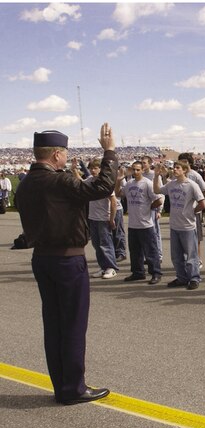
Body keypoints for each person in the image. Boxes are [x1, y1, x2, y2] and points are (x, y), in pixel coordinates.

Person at [15, 124, 116, 405]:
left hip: (42, 258)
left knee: (54, 324)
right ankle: (73, 388)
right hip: (67, 259)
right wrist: (109, 152)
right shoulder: (59, 181)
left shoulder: (25, 184)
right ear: (57, 154)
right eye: (65, 153)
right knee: (72, 324)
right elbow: (103, 186)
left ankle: (62, 385)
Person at [154, 161, 205, 290]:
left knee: (191, 255)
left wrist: (192, 212)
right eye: (174, 168)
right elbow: (157, 190)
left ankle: (194, 278)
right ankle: (182, 277)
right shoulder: (171, 184)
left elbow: (202, 203)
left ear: (184, 170)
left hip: (188, 225)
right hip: (174, 225)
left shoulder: (192, 185)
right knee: (176, 256)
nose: (174, 170)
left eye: (177, 168)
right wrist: (156, 176)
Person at [115, 161, 163, 285]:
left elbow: (158, 200)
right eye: (134, 170)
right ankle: (138, 272)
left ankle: (156, 273)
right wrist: (119, 180)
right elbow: (118, 194)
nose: (136, 172)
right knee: (135, 251)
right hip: (133, 224)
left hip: (146, 224)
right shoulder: (129, 183)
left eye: (138, 170)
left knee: (151, 251)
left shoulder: (147, 183)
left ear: (142, 170)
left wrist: (149, 208)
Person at [80, 158, 119, 280]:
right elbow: (79, 183)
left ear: (101, 169)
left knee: (105, 244)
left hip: (104, 218)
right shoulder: (90, 180)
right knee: (97, 245)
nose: (93, 170)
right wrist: (74, 169)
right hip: (93, 217)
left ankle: (111, 267)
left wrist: (112, 218)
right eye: (91, 168)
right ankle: (103, 267)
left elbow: (113, 201)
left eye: (96, 168)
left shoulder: (105, 182)